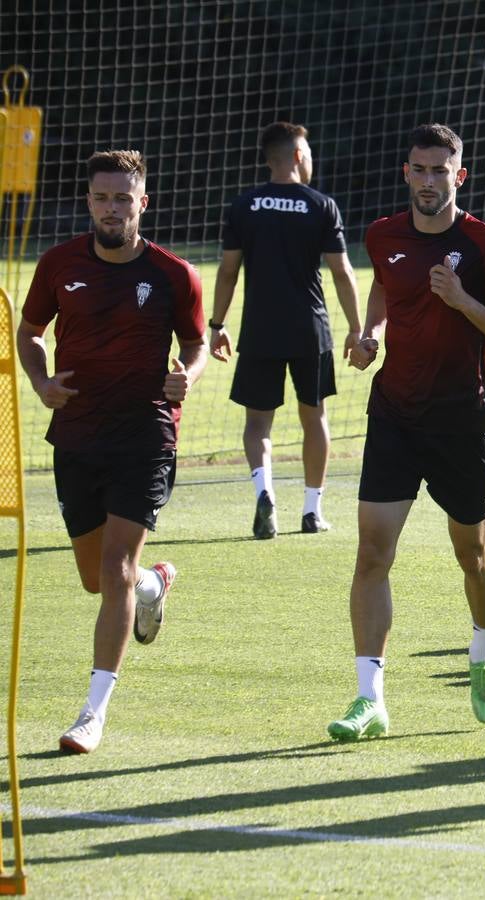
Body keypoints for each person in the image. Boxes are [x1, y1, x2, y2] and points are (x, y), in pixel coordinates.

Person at [327, 123, 485, 741]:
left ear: (458, 176)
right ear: (406, 172)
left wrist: (463, 301)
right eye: (419, 169)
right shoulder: (382, 234)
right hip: (394, 413)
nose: (427, 180)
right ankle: (369, 699)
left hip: (463, 421)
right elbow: (386, 291)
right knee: (372, 553)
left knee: (474, 557)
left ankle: (482, 652)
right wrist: (370, 338)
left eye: (440, 170)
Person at [17, 150, 207, 753]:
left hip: (145, 436)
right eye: (102, 197)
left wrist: (189, 377)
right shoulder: (57, 264)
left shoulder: (174, 274)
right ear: (89, 200)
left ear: (142, 203)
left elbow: (197, 342)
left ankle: (92, 712)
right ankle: (152, 586)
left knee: (115, 568)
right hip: (76, 436)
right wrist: (42, 383)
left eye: (123, 199)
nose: (111, 208)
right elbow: (29, 333)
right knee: (97, 578)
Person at [210, 121, 362, 539]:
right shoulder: (321, 205)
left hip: (259, 330)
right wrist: (355, 327)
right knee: (315, 418)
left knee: (258, 423)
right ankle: (312, 510)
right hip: (310, 330)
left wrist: (217, 325)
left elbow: (227, 272)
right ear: (298, 155)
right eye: (308, 153)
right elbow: (342, 271)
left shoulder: (244, 206)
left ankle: (265, 491)